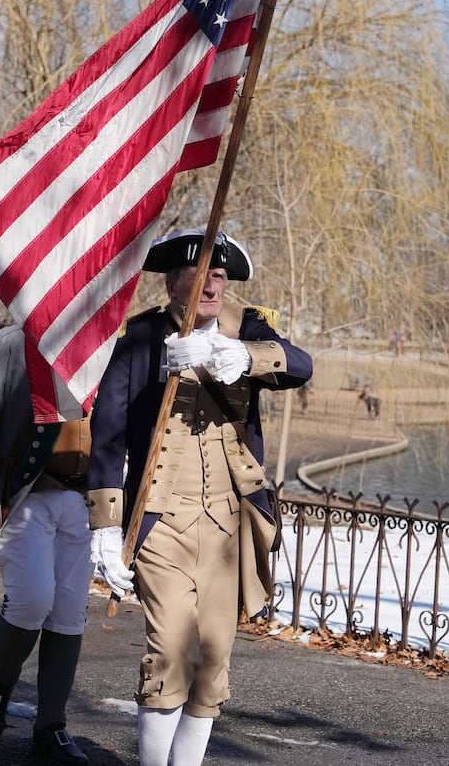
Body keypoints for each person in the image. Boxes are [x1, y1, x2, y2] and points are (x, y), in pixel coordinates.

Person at [86, 228, 312, 766]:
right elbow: (108, 434)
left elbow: (301, 365)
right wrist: (105, 525)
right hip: (161, 521)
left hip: (228, 526)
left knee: (212, 663)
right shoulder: (140, 339)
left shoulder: (246, 328)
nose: (210, 286)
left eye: (219, 274)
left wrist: (242, 357)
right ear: (172, 283)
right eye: (197, 274)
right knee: (170, 653)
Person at [0, 325, 95, 765]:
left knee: (70, 609)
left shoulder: (105, 336)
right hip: (27, 492)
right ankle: (0, 685)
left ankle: (51, 724)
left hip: (86, 497)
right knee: (32, 599)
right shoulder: (8, 344)